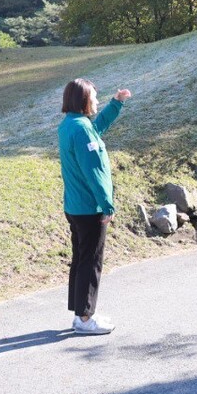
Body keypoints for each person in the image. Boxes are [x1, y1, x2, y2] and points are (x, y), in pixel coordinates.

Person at [59, 78, 132, 335]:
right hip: (90, 208)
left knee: (81, 260)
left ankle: (80, 314)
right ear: (83, 100)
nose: (97, 101)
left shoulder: (71, 125)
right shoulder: (81, 129)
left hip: (76, 206)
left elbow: (95, 129)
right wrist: (107, 205)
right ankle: (86, 318)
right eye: (95, 97)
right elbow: (95, 170)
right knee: (91, 262)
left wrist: (116, 104)